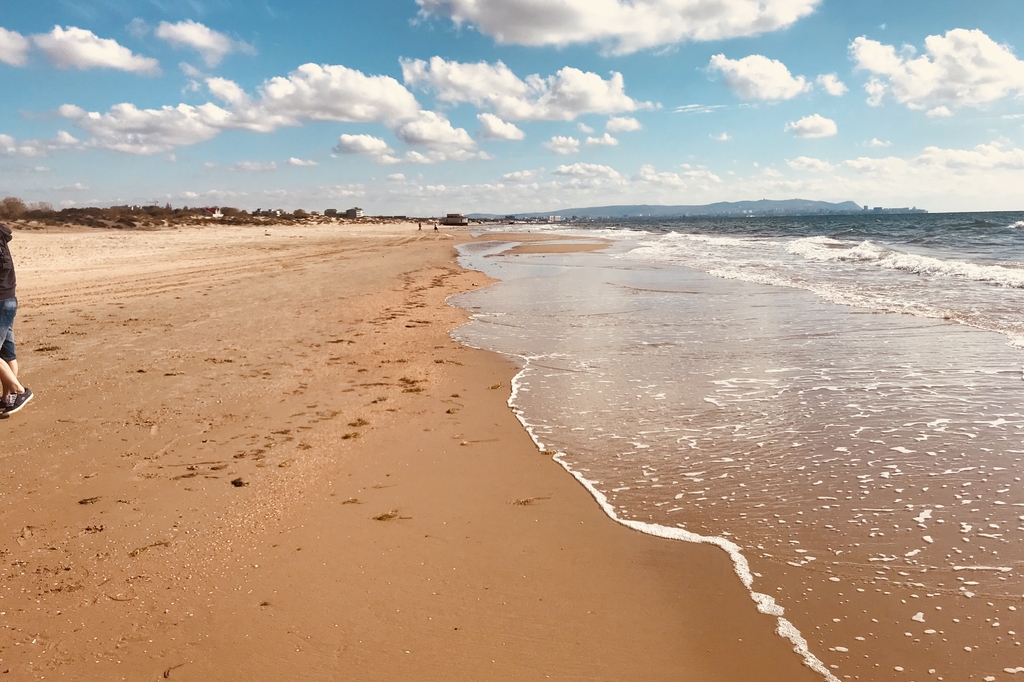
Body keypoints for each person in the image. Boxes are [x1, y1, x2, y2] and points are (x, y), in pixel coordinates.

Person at [0, 223, 32, 416]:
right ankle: (7, 398)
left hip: (2, 302)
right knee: (7, 353)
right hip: (7, 300)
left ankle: (19, 390)